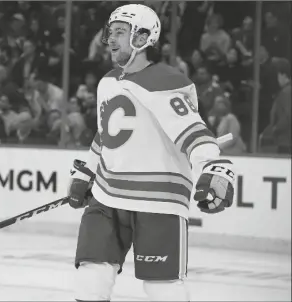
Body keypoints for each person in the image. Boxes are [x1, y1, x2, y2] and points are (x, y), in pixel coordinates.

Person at [67, 4, 236, 301]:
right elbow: (106, 134)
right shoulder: (107, 82)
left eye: (121, 32)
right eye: (111, 33)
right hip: (107, 195)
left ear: (143, 37)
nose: (112, 39)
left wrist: (213, 168)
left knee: (162, 288)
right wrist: (87, 171)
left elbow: (194, 132)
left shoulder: (165, 82)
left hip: (158, 199)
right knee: (90, 278)